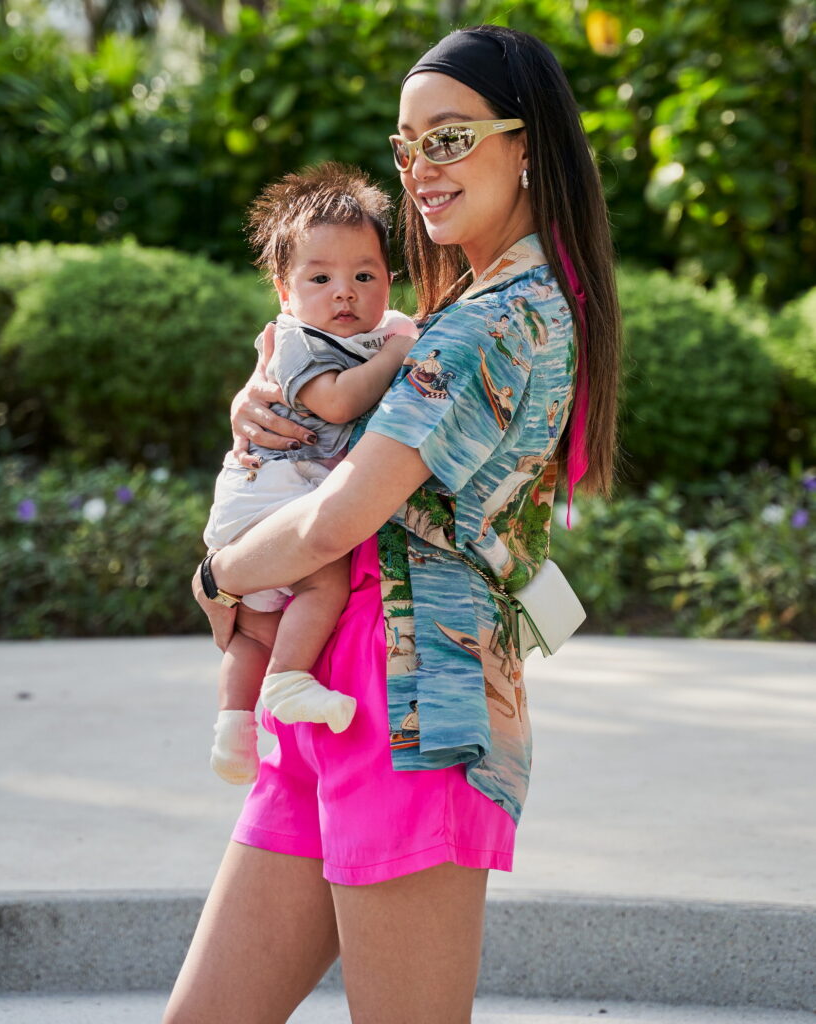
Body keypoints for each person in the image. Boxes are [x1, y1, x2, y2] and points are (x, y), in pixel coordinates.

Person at [164, 24, 621, 1024]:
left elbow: (338, 517)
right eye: (407, 145)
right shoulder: (461, 306)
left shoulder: (499, 318)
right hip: (334, 682)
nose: (419, 168)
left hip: (416, 705)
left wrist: (218, 575)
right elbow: (322, 385)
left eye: (449, 137)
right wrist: (261, 394)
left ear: (528, 145)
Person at [202, 163, 418, 785]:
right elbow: (339, 403)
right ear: (284, 291)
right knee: (322, 579)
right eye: (320, 278)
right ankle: (287, 681)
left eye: (364, 276)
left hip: (289, 490)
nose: (343, 292)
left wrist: (398, 338)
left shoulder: (380, 332)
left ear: (389, 281)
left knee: (255, 629)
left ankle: (234, 729)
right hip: (268, 492)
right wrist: (398, 353)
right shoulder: (297, 341)